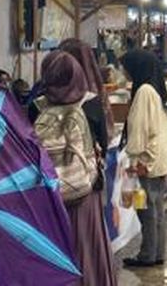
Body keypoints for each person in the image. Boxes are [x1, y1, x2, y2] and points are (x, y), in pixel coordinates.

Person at [37, 50, 116, 286]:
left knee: (57, 253)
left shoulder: (36, 107)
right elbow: (104, 140)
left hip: (49, 199)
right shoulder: (90, 103)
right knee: (88, 250)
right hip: (84, 195)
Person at [121, 50, 167, 269]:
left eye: (125, 67)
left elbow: (139, 130)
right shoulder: (155, 89)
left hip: (148, 160)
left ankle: (147, 255)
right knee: (156, 209)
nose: (123, 72)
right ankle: (156, 253)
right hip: (159, 158)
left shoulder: (144, 91)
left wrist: (136, 161)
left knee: (147, 211)